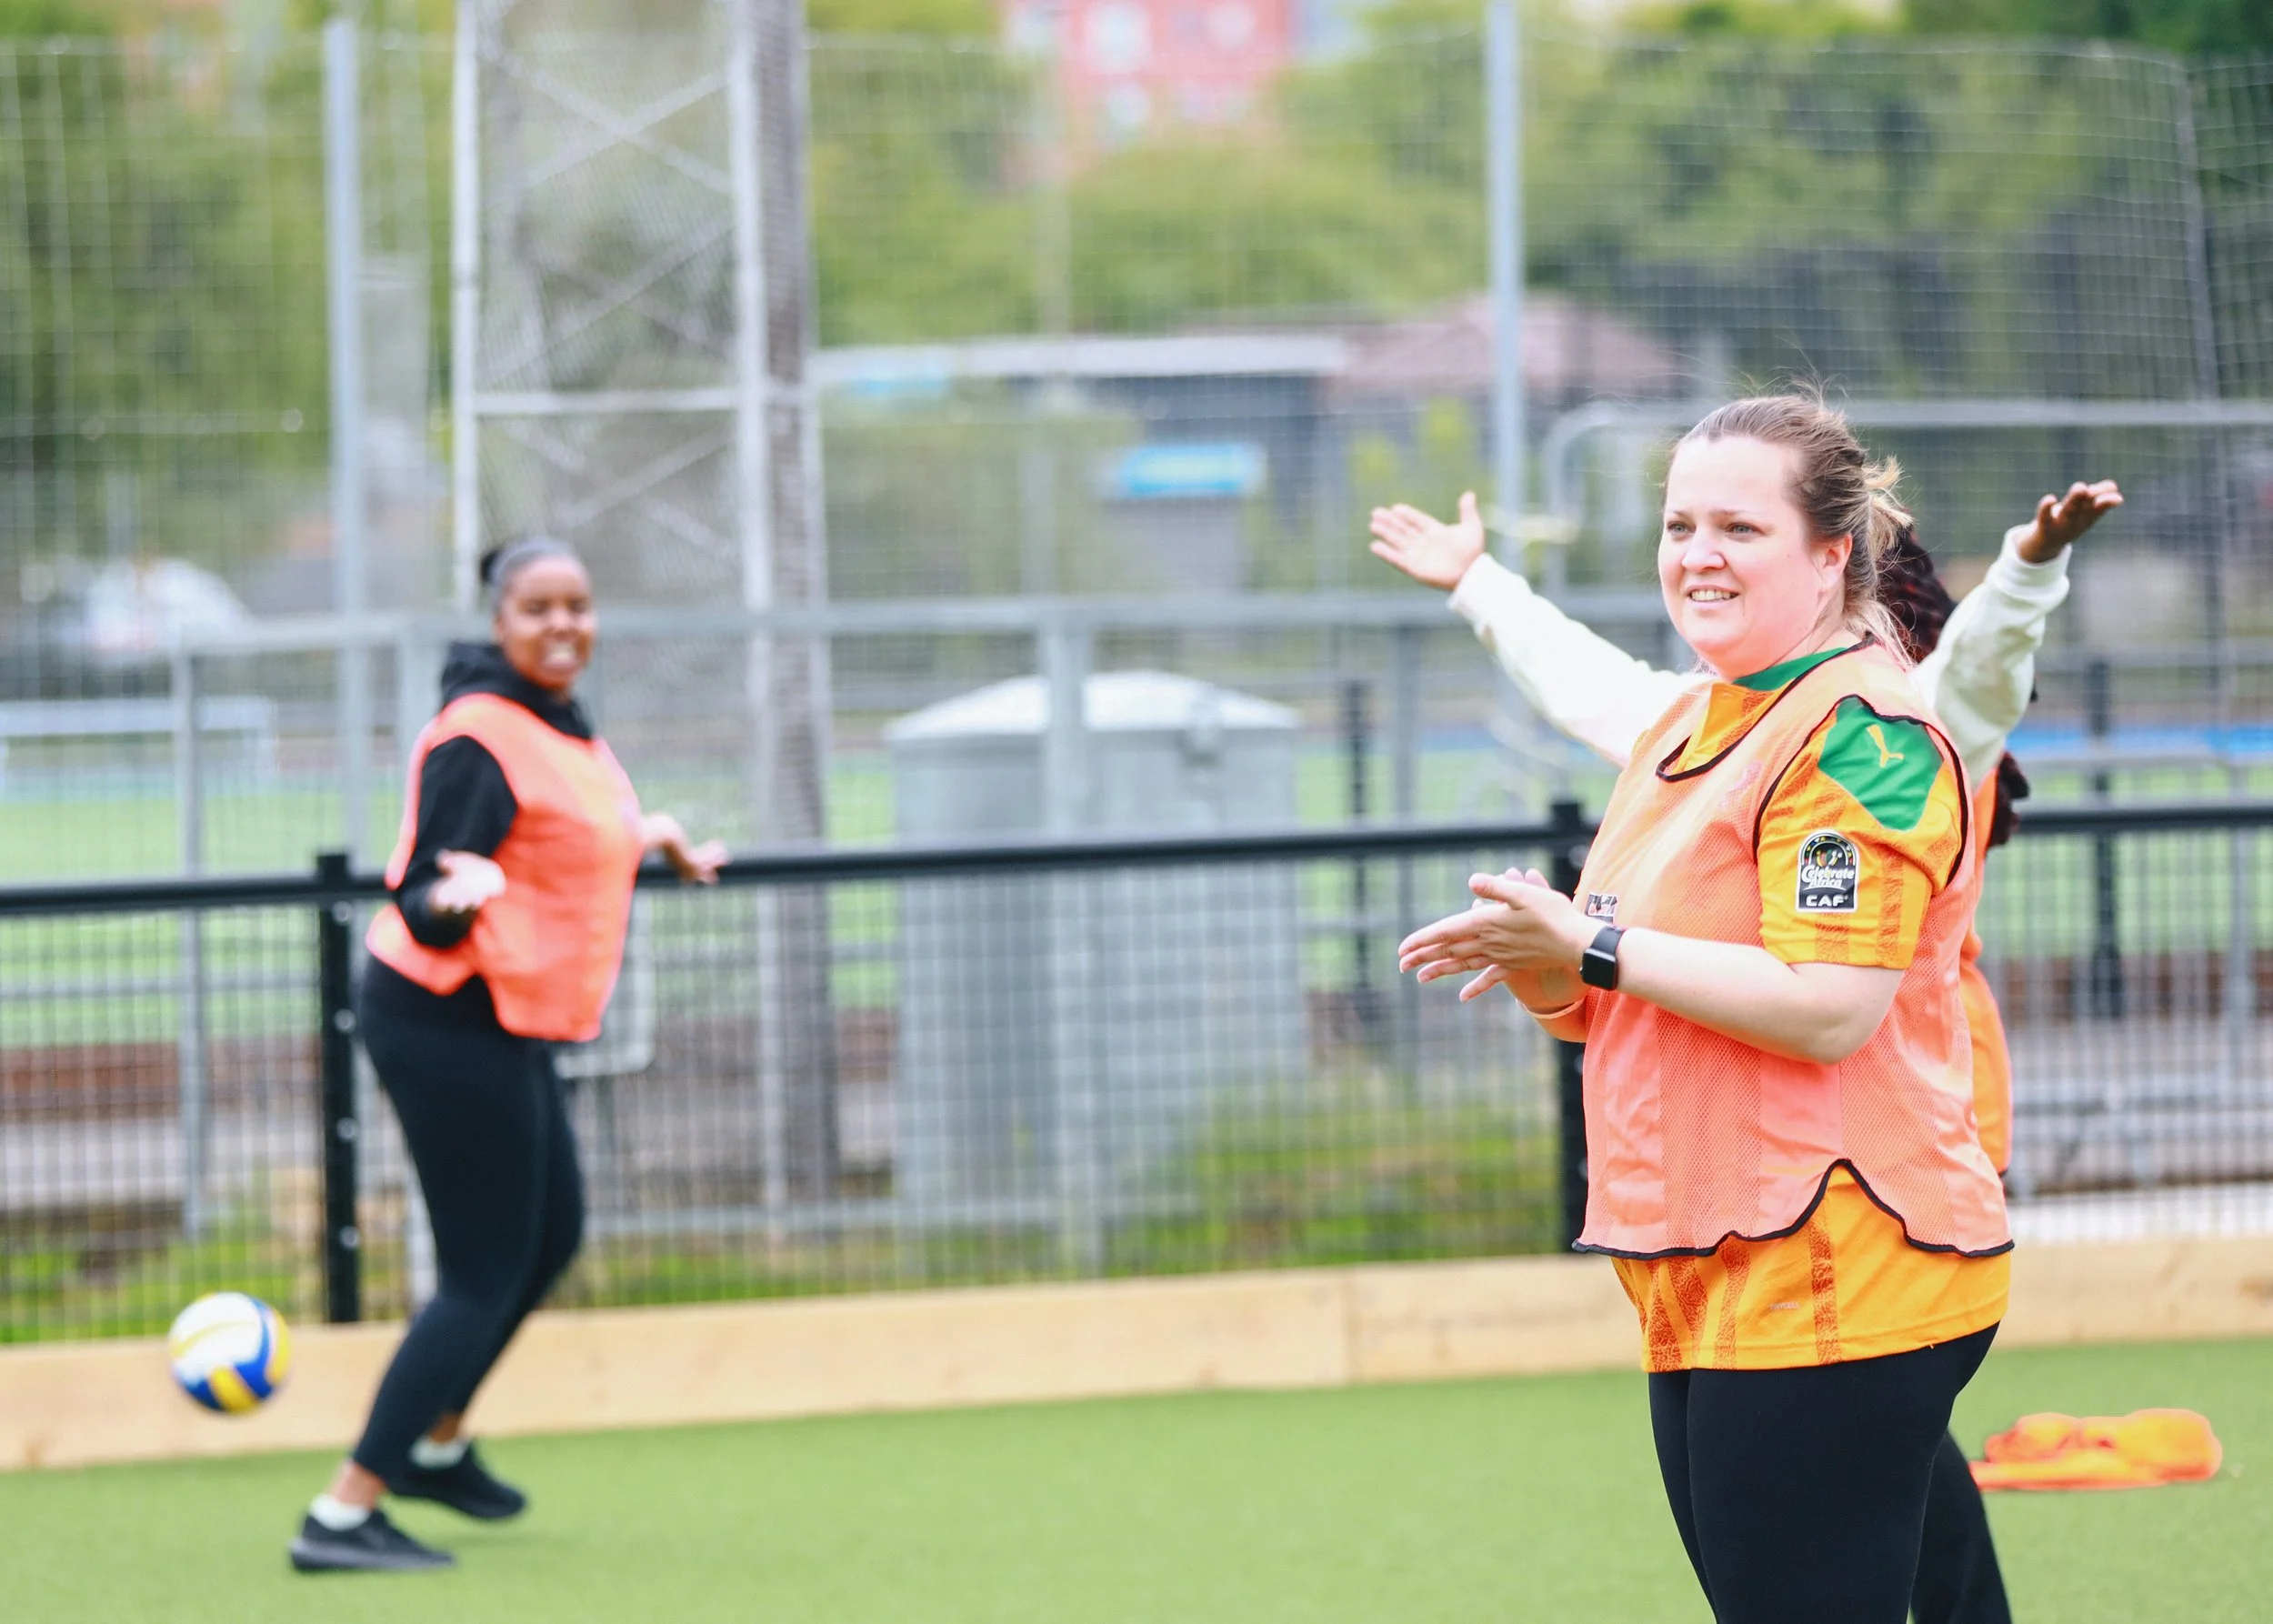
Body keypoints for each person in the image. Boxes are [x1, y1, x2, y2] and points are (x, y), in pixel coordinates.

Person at [1373, 470, 2119, 1624]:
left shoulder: (1876, 730)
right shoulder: (1690, 724)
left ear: (1835, 558)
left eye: (1738, 527)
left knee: (1885, 1552)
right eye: (1679, 524)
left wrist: (2025, 568)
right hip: (1710, 1244)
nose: (1699, 552)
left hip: (1836, 1232)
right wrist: (1547, 963)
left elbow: (1826, 1002)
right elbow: (1587, 707)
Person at [289, 537, 726, 1574]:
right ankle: (344, 1513)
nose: (563, 625)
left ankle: (439, 1443)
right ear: (498, 623)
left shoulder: (560, 723)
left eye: (578, 604)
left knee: (552, 1233)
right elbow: (419, 898)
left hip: (512, 1016)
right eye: (538, 609)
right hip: (440, 1013)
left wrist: (658, 839)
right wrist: (455, 894)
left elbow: (581, 831)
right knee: (482, 1269)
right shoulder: (477, 737)